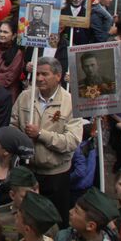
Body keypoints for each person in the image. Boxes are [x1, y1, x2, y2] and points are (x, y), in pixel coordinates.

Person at [11, 56, 84, 221]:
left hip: (55, 176)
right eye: (37, 74)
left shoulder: (70, 103)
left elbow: (71, 141)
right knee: (28, 220)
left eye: (45, 74)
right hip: (28, 172)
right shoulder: (25, 97)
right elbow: (13, 124)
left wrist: (41, 135)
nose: (39, 78)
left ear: (58, 76)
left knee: (54, 222)